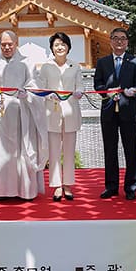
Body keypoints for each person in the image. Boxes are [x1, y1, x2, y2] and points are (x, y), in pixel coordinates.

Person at [0, 31, 47, 200]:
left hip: (20, 115)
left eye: (10, 44)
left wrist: (26, 94)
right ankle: (0, 190)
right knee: (0, 153)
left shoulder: (27, 64)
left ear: (16, 43)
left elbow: (35, 87)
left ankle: (24, 190)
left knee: (21, 152)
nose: (6, 47)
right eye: (3, 44)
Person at [93, 28, 136, 200]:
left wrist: (133, 91)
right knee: (110, 150)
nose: (119, 42)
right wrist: (106, 92)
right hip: (108, 110)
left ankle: (131, 187)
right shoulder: (102, 62)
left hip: (128, 110)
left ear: (127, 42)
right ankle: (111, 186)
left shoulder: (135, 61)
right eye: (116, 38)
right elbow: (97, 85)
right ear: (111, 41)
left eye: (123, 39)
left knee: (130, 150)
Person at [37, 32, 84, 201]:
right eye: (56, 44)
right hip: (52, 112)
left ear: (68, 47)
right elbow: (41, 88)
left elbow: (80, 86)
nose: (60, 47)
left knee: (69, 151)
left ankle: (68, 185)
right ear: (52, 48)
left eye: (63, 44)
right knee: (54, 152)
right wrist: (50, 95)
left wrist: (79, 92)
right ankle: (57, 186)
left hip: (71, 112)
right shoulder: (46, 67)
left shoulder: (75, 66)